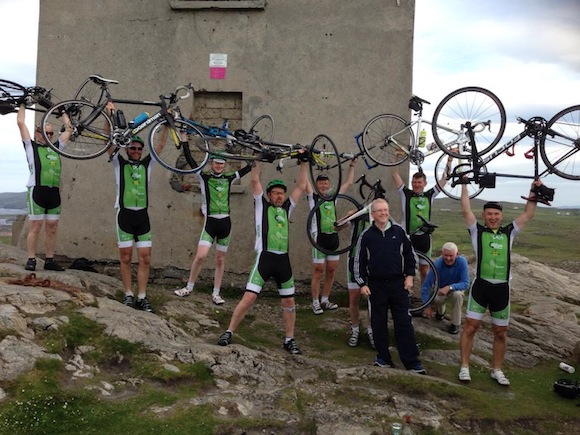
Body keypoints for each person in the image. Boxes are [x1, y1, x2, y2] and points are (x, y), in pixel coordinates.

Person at [217, 159, 308, 354]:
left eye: (281, 193)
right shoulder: (261, 206)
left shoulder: (286, 208)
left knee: (289, 302)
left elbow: (301, 186)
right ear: (269, 195)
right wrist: (256, 159)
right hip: (264, 258)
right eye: (275, 193)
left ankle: (289, 339)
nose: (279, 196)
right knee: (249, 297)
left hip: (283, 260)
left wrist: (304, 163)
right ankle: (229, 332)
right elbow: (255, 180)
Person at [458, 180, 541, 386]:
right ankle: (465, 367)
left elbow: (528, 214)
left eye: (496, 214)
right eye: (489, 214)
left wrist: (534, 190)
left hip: (502, 289)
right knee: (470, 327)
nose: (493, 217)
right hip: (481, 286)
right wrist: (465, 184)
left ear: (501, 216)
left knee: (501, 333)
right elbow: (466, 209)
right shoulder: (477, 231)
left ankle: (497, 370)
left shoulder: (509, 232)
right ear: (484, 216)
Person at [353, 198, 426, 373]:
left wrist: (409, 277)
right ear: (373, 214)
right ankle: (383, 358)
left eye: (386, 210)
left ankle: (412, 363)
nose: (384, 213)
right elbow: (358, 262)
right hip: (376, 286)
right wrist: (362, 284)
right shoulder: (366, 235)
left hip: (398, 285)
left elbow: (410, 257)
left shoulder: (399, 232)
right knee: (378, 323)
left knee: (404, 322)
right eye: (380, 211)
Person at [107, 103, 164, 312]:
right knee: (125, 257)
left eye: (140, 148)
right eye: (133, 148)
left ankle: (142, 296)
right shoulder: (118, 164)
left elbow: (158, 147)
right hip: (124, 215)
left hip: (143, 217)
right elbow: (109, 142)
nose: (137, 151)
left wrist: (166, 125)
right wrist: (109, 115)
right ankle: (128, 294)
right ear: (127, 149)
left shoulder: (147, 164)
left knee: (145, 258)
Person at [174, 157, 252, 305]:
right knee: (201, 256)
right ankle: (189, 287)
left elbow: (248, 168)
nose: (219, 166)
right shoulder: (204, 177)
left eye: (222, 163)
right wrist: (184, 140)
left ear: (224, 165)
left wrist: (257, 155)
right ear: (211, 164)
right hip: (210, 222)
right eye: (216, 163)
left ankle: (216, 293)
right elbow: (192, 162)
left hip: (225, 223)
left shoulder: (229, 177)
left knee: (220, 259)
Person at [17, 102, 70, 272]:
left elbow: (69, 129)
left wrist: (62, 112)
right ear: (37, 133)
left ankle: (49, 260)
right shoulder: (31, 146)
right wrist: (23, 104)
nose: (49, 135)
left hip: (54, 192)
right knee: (35, 227)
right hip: (37, 191)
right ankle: (31, 259)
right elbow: (20, 123)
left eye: (51, 133)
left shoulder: (57, 147)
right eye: (45, 133)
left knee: (52, 228)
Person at [391, 158, 453, 282]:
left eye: (419, 182)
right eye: (414, 182)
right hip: (408, 237)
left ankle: (424, 297)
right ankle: (407, 295)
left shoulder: (430, 195)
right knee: (405, 268)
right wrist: (396, 156)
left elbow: (445, 177)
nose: (416, 185)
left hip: (424, 238)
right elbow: (394, 174)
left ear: (425, 183)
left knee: (424, 269)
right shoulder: (406, 194)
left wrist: (449, 161)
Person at [306, 161, 356, 314]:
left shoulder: (333, 198)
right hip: (318, 239)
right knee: (318, 271)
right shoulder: (312, 198)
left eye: (325, 183)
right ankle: (315, 302)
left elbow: (348, 182)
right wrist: (304, 163)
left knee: (331, 271)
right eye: (320, 184)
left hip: (333, 238)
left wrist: (352, 166)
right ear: (316, 185)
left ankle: (325, 300)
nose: (323, 186)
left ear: (329, 185)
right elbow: (304, 182)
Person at [421, 242, 470, 335]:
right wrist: (426, 306)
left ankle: (455, 324)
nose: (448, 258)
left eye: (451, 255)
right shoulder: (437, 264)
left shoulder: (462, 262)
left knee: (458, 295)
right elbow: (426, 285)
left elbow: (465, 283)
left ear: (457, 254)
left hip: (456, 289)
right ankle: (440, 313)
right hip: (440, 290)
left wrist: (450, 287)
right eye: (446, 255)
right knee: (435, 297)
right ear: (442, 254)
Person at [345, 209, 374, 348]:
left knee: (372, 299)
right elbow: (336, 226)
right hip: (353, 259)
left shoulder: (381, 218)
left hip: (372, 262)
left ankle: (371, 330)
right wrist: (348, 216)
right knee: (354, 298)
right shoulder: (358, 216)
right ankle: (355, 329)